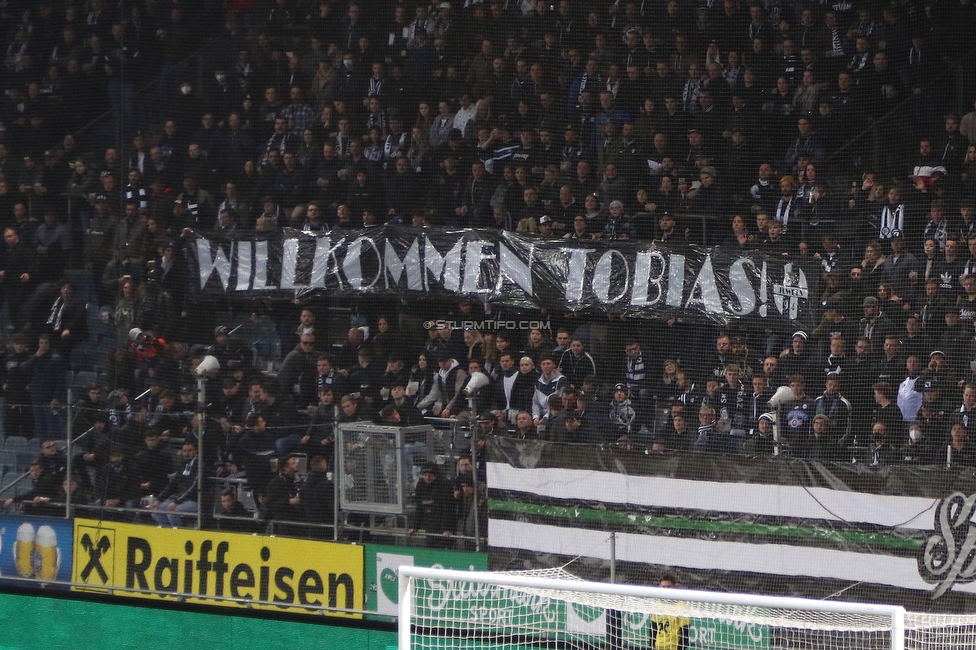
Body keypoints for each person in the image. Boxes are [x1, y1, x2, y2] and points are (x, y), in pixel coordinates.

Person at [149, 439, 200, 527]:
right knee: (155, 509)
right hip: (180, 499)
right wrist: (159, 499)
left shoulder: (199, 465)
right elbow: (173, 483)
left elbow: (193, 487)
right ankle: (169, 533)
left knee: (172, 511)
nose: (186, 453)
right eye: (184, 451)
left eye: (189, 451)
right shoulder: (184, 465)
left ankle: (179, 534)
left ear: (196, 451)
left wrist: (177, 501)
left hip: (195, 500)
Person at [409, 463, 455, 548]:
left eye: (430, 475)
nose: (427, 477)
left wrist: (446, 528)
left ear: (435, 474)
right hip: (429, 523)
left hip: (442, 522)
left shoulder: (445, 484)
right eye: (425, 475)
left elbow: (448, 508)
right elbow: (419, 507)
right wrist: (415, 526)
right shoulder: (421, 484)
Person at [650, 573, 690, 650]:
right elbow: (653, 627)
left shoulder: (681, 606)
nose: (666, 589)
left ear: (674, 587)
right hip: (658, 646)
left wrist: (680, 648)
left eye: (668, 587)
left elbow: (685, 630)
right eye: (663, 587)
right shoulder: (657, 604)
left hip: (673, 647)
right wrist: (652, 645)